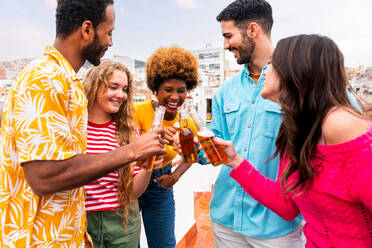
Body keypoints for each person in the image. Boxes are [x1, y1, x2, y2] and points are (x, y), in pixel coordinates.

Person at [0, 1, 165, 247]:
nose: (111, 42)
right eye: (109, 33)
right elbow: (44, 176)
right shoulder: (45, 78)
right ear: (87, 30)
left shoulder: (67, 81)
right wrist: (132, 151)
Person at [214, 34, 372, 248]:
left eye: (273, 64)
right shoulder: (295, 131)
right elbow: (287, 205)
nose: (266, 71)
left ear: (296, 72)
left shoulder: (339, 123)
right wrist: (235, 162)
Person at [210, 0, 304, 247]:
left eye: (228, 36)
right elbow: (217, 144)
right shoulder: (224, 91)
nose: (225, 45)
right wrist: (196, 147)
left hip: (276, 226)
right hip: (225, 218)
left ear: (252, 30)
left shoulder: (301, 81)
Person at [83, 60, 163, 247]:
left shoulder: (128, 131)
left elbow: (134, 191)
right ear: (95, 86)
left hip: (123, 225)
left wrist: (148, 165)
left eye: (125, 89)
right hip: (81, 223)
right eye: (113, 87)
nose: (121, 95)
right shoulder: (74, 128)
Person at [134, 46, 199, 248]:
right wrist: (152, 141)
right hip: (131, 180)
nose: (174, 97)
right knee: (126, 243)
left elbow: (193, 154)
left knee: (163, 244)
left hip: (159, 184)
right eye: (168, 90)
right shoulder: (137, 111)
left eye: (181, 90)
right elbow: (125, 146)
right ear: (155, 90)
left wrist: (174, 176)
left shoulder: (188, 122)